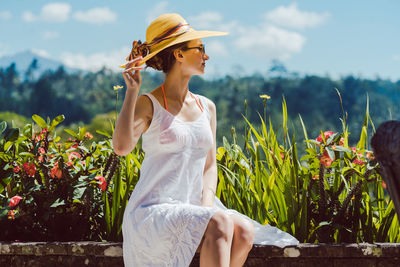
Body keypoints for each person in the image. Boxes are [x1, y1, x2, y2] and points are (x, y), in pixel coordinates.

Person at [114, 13, 298, 267]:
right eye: (200, 48)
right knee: (220, 222)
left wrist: (206, 206)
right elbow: (121, 148)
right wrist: (132, 92)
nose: (206, 55)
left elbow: (209, 166)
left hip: (192, 206)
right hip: (153, 210)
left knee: (244, 229)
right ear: (178, 54)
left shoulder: (206, 107)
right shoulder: (149, 104)